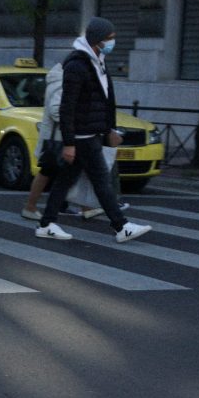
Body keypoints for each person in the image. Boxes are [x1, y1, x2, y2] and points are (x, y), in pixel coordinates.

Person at [39, 18, 151, 244]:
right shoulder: (77, 65)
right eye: (109, 38)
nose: (112, 42)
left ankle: (46, 224)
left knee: (65, 181)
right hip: (83, 136)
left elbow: (105, 100)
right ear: (97, 40)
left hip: (90, 133)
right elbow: (67, 106)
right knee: (101, 180)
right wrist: (69, 143)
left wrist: (109, 129)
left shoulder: (96, 62)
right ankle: (121, 226)